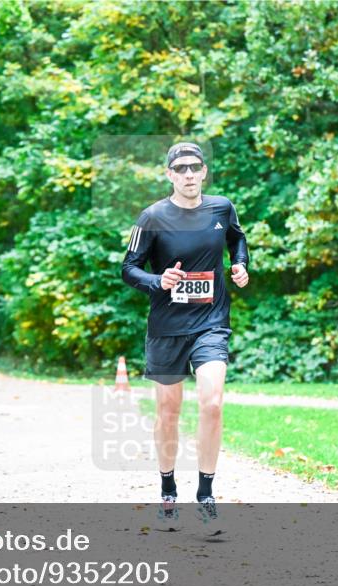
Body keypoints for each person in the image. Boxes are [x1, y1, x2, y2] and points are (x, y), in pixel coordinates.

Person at [121, 142, 249, 536]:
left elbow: (236, 240)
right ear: (170, 175)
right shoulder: (153, 217)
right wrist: (158, 280)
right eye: (181, 168)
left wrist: (241, 264)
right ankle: (167, 492)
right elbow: (128, 269)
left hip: (211, 322)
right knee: (169, 412)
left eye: (195, 167)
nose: (189, 174)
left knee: (212, 403)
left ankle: (206, 497)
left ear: (204, 171)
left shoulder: (221, 208)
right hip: (167, 327)